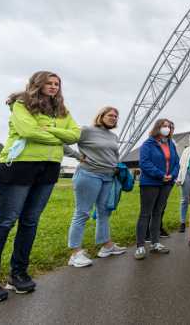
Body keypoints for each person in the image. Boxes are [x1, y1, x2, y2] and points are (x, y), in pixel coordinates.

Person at [0, 71, 80, 303]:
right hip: (19, 166)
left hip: (48, 169)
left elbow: (75, 134)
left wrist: (51, 131)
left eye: (57, 83)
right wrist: (60, 136)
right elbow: (28, 131)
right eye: (49, 82)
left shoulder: (62, 111)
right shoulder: (21, 104)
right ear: (38, 83)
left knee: (30, 221)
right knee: (6, 221)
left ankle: (18, 274)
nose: (54, 86)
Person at [65, 107, 127, 268]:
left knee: (104, 212)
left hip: (108, 177)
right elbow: (61, 142)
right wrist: (77, 156)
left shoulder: (113, 136)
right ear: (101, 116)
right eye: (110, 115)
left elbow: (113, 155)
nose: (113, 118)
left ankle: (106, 246)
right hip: (89, 175)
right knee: (83, 212)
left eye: (116, 116)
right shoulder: (86, 130)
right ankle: (75, 253)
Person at [134, 119, 179, 259]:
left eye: (170, 126)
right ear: (157, 127)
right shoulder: (148, 143)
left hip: (167, 183)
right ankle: (140, 246)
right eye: (165, 126)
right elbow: (144, 163)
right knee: (145, 213)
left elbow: (176, 162)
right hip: (151, 183)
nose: (168, 128)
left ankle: (155, 243)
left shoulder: (171, 143)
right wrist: (160, 175)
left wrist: (172, 175)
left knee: (158, 212)